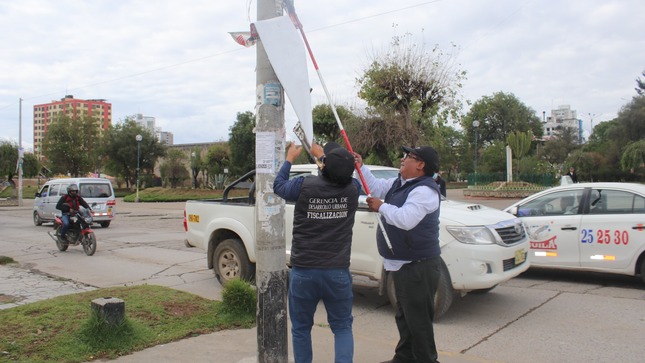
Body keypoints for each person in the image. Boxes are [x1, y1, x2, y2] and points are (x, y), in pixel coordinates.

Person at [273, 141, 362, 363]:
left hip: (304, 271)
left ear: (324, 167)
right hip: (337, 272)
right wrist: (323, 157)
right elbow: (339, 174)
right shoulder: (353, 190)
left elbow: (279, 186)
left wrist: (289, 158)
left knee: (301, 329)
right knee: (342, 327)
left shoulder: (304, 185)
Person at [355, 145, 442, 363]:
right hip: (402, 264)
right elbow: (374, 187)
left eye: (408, 157)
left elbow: (406, 219)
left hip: (418, 266)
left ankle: (426, 360)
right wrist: (360, 165)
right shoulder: (399, 183)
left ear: (420, 165)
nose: (402, 159)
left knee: (419, 322)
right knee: (405, 317)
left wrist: (381, 207)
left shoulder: (425, 191)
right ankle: (404, 358)